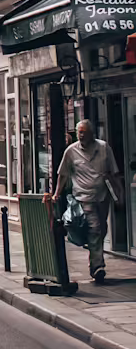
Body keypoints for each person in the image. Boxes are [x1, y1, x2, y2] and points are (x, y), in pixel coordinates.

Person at [48, 119, 121, 283]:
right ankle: (97, 266)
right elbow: (63, 174)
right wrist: (57, 193)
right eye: (79, 132)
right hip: (83, 198)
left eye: (84, 133)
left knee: (102, 229)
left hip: (102, 197)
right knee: (95, 229)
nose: (81, 136)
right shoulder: (71, 151)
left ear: (92, 134)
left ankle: (93, 257)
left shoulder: (103, 148)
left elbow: (113, 172)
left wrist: (119, 193)